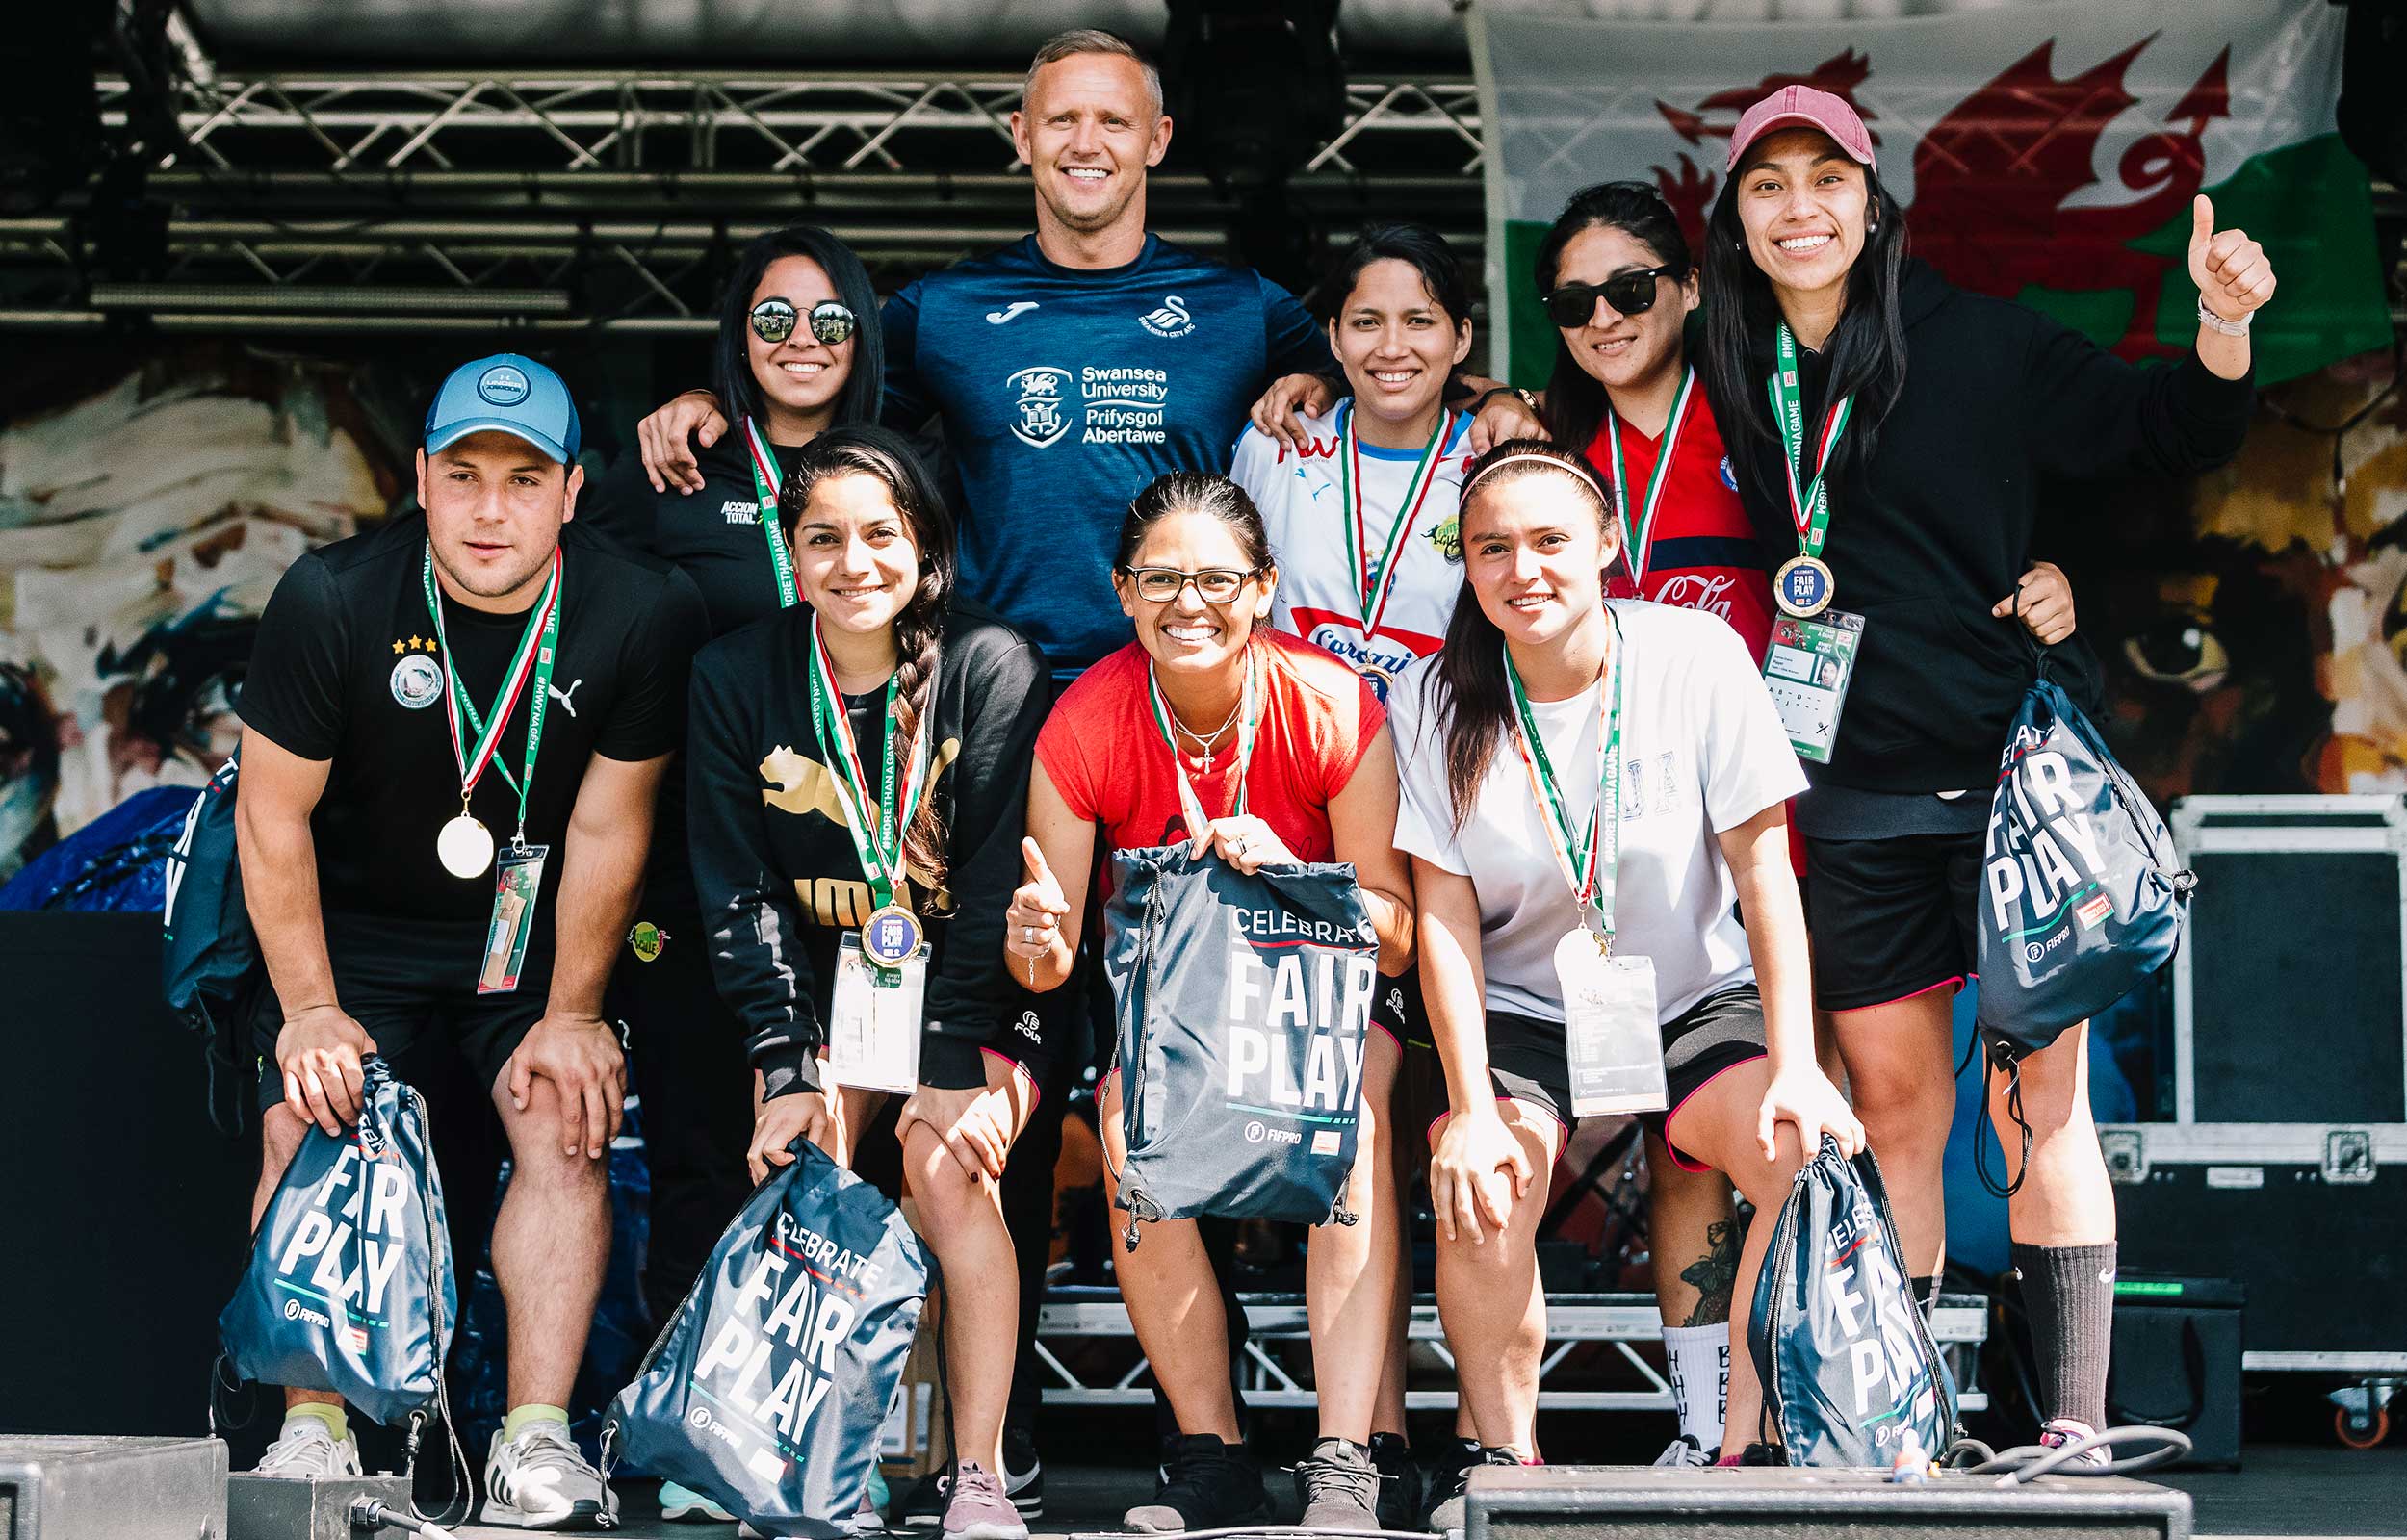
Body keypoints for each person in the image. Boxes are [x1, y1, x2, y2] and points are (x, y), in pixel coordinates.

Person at [631, 37, 1347, 1513]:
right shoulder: (939, 310)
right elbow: (805, 363)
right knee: (986, 1106)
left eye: (1114, 120)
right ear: (1018, 136)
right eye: (1059, 120)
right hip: (1003, 736)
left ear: (1158, 137)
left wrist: (1319, 382)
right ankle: (968, 1456)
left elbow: (1382, 359)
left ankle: (1234, 1454)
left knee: (1182, 1113)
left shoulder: (1242, 307)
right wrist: (696, 397)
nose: (1085, 142)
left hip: (1172, 726)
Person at [1694, 85, 2270, 1458]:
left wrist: (2225, 325)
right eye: (1766, 188)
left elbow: (2158, 438)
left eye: (1823, 180)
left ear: (1872, 200)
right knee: (1896, 1113)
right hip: (1852, 791)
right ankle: (1894, 1426)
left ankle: (2071, 1430)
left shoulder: (1976, 342)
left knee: (2042, 1101)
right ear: (1737, 221)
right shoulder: (1727, 356)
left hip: (2011, 790)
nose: (1799, 210)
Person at [233, 353, 708, 1527]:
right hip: (356, 938)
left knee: (566, 1110)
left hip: (529, 943)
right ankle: (316, 1431)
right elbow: (270, 812)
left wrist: (576, 1013)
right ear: (422, 480)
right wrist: (307, 1006)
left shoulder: (637, 609)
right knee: (311, 1104)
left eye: (522, 477)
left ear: (572, 489)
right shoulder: (333, 595)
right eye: (464, 475)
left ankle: (534, 1443)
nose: (491, 507)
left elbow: (609, 828)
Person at [1390, 442, 1860, 1519]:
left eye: (1551, 541)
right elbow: (1447, 924)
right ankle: (1505, 1464)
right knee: (1481, 1179)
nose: (1524, 570)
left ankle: (1749, 1446)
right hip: (1525, 1001)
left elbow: (1762, 872)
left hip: (1694, 988)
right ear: (1463, 565)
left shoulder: (1695, 654)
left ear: (1608, 543)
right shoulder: (1434, 697)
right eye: (1492, 548)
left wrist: (1796, 1064)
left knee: (1800, 1150)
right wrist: (1468, 1108)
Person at [1003, 474, 1415, 1533]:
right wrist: (1037, 948)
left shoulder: (1331, 702)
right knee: (1124, 1123)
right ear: (1123, 592)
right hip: (1175, 1007)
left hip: (1321, 987)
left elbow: (1399, 936)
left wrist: (1292, 869)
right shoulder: (1086, 719)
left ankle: (1344, 1459)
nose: (1191, 602)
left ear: (1265, 588)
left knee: (1352, 1125)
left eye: (1218, 579)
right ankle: (1210, 1455)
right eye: (1162, 580)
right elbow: (1049, 968)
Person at [685, 426, 1052, 1540]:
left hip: (988, 998)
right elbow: (736, 892)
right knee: (807, 1168)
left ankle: (977, 1474)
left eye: (881, 534)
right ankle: (810, 1471)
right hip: (826, 1005)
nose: (855, 562)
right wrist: (784, 1060)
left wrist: (956, 1063)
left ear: (925, 545)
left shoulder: (992, 663)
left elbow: (993, 888)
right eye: (823, 538)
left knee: (942, 1171)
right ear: (790, 554)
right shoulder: (735, 673)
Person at [577, 230, 888, 1529]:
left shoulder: (909, 464)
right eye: (772, 320)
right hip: (696, 876)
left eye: (828, 320)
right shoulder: (673, 474)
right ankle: (702, 1439)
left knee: (858, 1167)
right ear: (730, 337)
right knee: (705, 1150)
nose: (800, 343)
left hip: (871, 879)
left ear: (867, 336)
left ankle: (846, 1449)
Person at [1225, 220, 1471, 1524]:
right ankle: (1368, 1443)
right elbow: (1236, 610)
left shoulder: (1494, 449)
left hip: (1467, 816)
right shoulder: (1277, 444)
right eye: (1367, 321)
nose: (1392, 346)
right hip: (1321, 821)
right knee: (1357, 1109)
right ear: (1330, 339)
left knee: (1473, 1120)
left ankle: (1474, 1438)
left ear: (1465, 340)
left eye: (1422, 319)